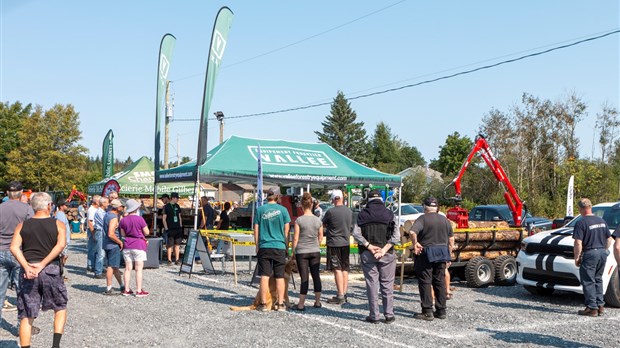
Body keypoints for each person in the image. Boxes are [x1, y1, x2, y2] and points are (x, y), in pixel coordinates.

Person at [10, 192, 67, 348]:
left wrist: (26, 266)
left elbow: (14, 247)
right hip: (51, 270)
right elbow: (60, 245)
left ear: (32, 207)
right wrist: (42, 264)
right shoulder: (58, 224)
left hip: (28, 272)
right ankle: (55, 345)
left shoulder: (22, 225)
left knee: (26, 313)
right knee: (60, 307)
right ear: (49, 205)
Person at [353, 190, 400, 324]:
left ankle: (374, 316)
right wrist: (384, 250)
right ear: (381, 199)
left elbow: (356, 233)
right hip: (387, 253)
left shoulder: (362, 214)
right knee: (387, 284)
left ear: (368, 200)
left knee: (372, 284)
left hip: (368, 253)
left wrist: (369, 246)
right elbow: (396, 236)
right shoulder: (390, 214)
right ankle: (389, 315)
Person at [408, 196, 454, 321]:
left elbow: (412, 232)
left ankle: (427, 311)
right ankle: (441, 310)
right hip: (442, 252)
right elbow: (451, 239)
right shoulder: (445, 220)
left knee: (425, 282)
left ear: (424, 207)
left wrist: (415, 243)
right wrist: (449, 254)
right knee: (439, 282)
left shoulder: (422, 218)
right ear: (437, 208)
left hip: (426, 253)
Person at [0, 181, 34, 327]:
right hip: (19, 252)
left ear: (7, 193)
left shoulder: (0, 208)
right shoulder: (27, 209)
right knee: (22, 291)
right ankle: (23, 326)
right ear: (21, 193)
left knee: (0, 290)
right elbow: (33, 231)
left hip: (1, 251)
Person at [573, 198, 612, 316]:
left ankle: (591, 308)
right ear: (591, 207)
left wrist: (577, 257)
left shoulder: (581, 222)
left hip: (590, 253)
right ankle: (600, 305)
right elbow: (609, 239)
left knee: (588, 281)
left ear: (580, 209)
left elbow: (578, 243)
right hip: (602, 252)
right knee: (598, 279)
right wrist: (604, 250)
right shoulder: (601, 220)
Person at [253, 188, 291, 312]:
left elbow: (256, 229)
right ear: (277, 196)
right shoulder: (283, 210)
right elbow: (287, 231)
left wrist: (257, 245)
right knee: (280, 276)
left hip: (264, 245)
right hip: (279, 246)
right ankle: (280, 304)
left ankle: (263, 304)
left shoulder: (260, 210)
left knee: (264, 275)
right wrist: (286, 246)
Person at [291, 192, 323, 311]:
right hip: (315, 250)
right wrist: (316, 245)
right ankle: (318, 301)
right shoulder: (318, 220)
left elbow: (296, 237)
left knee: (304, 277)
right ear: (311, 205)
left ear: (301, 205)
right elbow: (320, 236)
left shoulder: (299, 220)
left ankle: (301, 304)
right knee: (316, 276)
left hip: (302, 251)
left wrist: (293, 251)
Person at [322, 189, 352, 305]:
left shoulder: (331, 212)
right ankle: (343, 293)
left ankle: (340, 295)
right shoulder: (349, 211)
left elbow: (323, 224)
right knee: (345, 268)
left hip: (334, 243)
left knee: (337, 269)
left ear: (334, 199)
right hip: (346, 242)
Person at [120, 199, 150, 297]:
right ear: (136, 208)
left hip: (127, 244)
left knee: (127, 268)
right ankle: (138, 290)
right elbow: (147, 232)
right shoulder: (140, 219)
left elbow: (123, 234)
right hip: (138, 244)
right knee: (138, 269)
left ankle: (126, 289)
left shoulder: (123, 220)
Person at [102, 199, 125, 295]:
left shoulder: (107, 214)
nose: (122, 208)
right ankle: (108, 287)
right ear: (118, 207)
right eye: (121, 206)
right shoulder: (114, 217)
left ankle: (122, 285)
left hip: (106, 243)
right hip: (112, 244)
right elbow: (111, 234)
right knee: (111, 266)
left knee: (115, 266)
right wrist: (120, 242)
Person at [163, 192, 183, 266]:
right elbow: (164, 218)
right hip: (170, 228)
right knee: (169, 245)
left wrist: (181, 225)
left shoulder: (177, 206)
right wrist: (166, 228)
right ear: (173, 198)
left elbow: (179, 216)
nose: (177, 200)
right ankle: (169, 260)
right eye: (177, 198)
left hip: (177, 227)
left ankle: (177, 259)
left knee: (177, 244)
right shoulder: (166, 207)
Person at [92, 197, 109, 279]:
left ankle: (100, 269)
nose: (108, 204)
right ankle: (98, 272)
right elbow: (104, 223)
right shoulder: (99, 212)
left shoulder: (103, 212)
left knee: (102, 252)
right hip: (100, 232)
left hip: (102, 232)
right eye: (107, 202)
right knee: (100, 252)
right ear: (103, 203)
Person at [54, 201, 71, 281]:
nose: (67, 206)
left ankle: (60, 272)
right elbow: (60, 227)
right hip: (63, 239)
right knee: (63, 256)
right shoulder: (60, 214)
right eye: (65, 205)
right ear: (61, 206)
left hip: (64, 239)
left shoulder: (61, 214)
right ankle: (60, 273)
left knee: (63, 256)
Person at [86, 195, 101, 273]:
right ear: (96, 202)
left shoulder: (96, 209)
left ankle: (91, 264)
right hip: (93, 230)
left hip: (94, 230)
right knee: (92, 248)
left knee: (94, 248)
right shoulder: (91, 210)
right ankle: (90, 265)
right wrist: (93, 233)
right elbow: (90, 222)